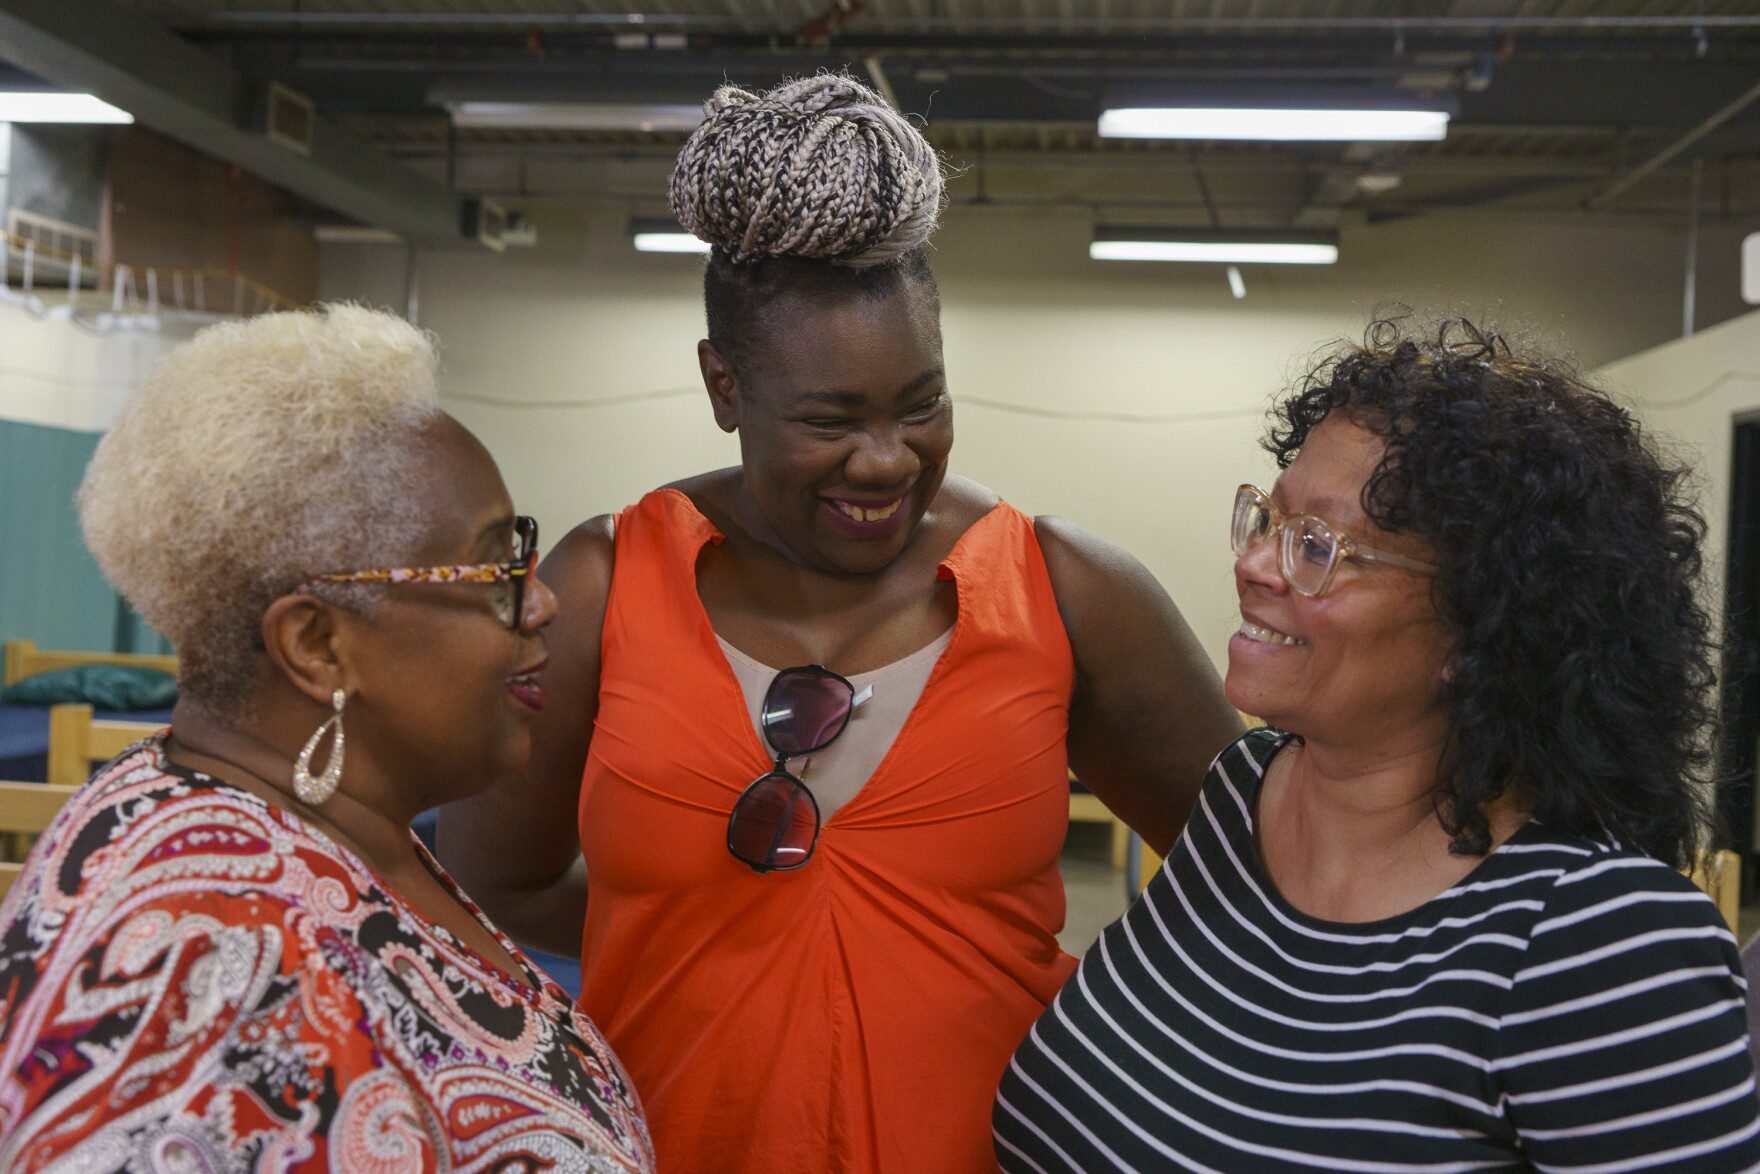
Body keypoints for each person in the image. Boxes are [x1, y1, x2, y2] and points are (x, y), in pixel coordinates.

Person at [439, 74, 1242, 1172]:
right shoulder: (602, 585)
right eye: (830, 420)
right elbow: (492, 882)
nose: (885, 460)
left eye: (922, 404)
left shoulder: (1064, 591)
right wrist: (698, 936)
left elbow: (1261, 880)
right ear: (724, 386)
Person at [995, 317, 1760, 1171]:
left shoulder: (1601, 947)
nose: (1254, 564)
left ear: (1481, 625)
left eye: (1318, 546)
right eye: (1269, 518)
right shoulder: (1243, 793)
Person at [0, 306, 655, 1171]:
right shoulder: (212, 957)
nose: (542, 602)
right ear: (317, 644)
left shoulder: (335, 833)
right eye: (495, 568)